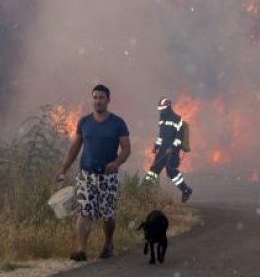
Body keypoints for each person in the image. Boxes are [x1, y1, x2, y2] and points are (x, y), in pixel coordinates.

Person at [56, 84, 131, 261]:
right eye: (95, 97)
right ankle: (81, 249)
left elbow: (126, 149)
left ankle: (108, 244)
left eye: (101, 98)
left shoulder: (118, 123)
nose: (98, 101)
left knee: (108, 214)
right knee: (84, 211)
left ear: (108, 100)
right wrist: (63, 169)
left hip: (108, 176)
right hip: (86, 175)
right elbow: (75, 147)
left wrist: (116, 163)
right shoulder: (84, 122)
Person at [144, 97, 194, 202]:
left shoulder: (177, 119)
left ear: (168, 107)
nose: (161, 110)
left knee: (171, 172)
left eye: (163, 108)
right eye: (160, 108)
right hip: (162, 149)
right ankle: (144, 191)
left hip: (172, 152)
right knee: (154, 169)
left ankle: (185, 190)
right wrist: (156, 146)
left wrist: (172, 148)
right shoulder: (162, 119)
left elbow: (178, 138)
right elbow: (161, 136)